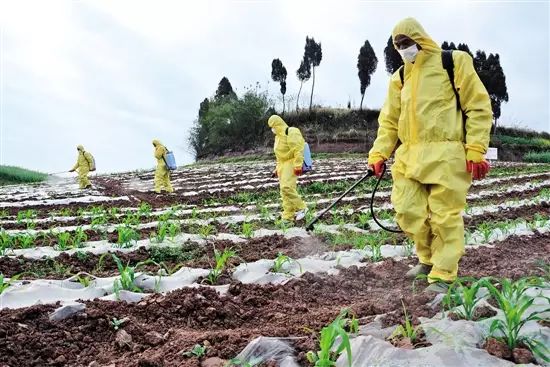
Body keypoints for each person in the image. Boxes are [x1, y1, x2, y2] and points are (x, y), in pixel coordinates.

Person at [368, 18, 492, 287]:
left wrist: (475, 149)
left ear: (420, 39)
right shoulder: (400, 77)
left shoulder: (453, 62)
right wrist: (379, 154)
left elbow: (478, 107)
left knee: (444, 216)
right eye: (398, 45)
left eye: (407, 42)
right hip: (409, 156)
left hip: (447, 155)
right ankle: (426, 259)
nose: (403, 48)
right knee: (407, 211)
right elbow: (389, 121)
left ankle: (443, 272)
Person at [268, 115, 307, 222]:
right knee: (284, 192)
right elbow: (279, 157)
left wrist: (298, 165)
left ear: (278, 124)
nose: (272, 129)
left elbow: (298, 149)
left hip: (291, 162)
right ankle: (287, 216)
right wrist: (276, 169)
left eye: (274, 126)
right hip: (282, 166)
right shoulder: (278, 138)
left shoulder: (291, 132)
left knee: (286, 187)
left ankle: (302, 208)